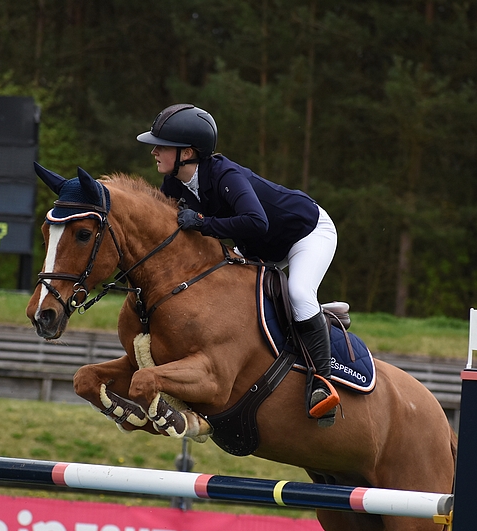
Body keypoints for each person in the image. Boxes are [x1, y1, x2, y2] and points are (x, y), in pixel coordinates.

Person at [137, 104, 340, 426]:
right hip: (258, 248)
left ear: (187, 152)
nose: (154, 151)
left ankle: (323, 384)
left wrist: (202, 222)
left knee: (300, 293)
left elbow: (255, 221)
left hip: (305, 234)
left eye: (161, 146)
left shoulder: (224, 175)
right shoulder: (174, 184)